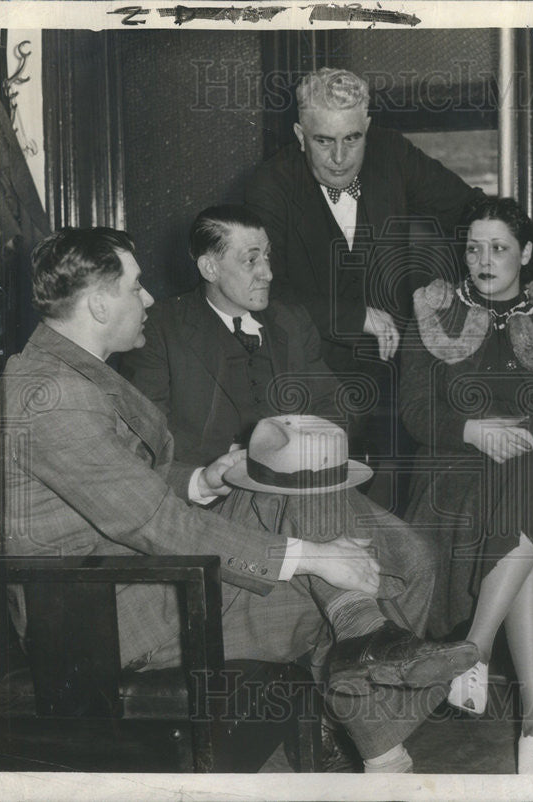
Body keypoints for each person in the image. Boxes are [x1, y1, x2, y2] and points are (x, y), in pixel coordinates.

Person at [0, 227, 478, 774]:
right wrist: (312, 556)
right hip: (98, 618)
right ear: (97, 304)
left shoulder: (69, 371)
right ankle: (374, 685)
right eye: (136, 288)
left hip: (133, 581)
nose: (148, 300)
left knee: (402, 556)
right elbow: (155, 525)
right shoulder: (54, 399)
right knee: (379, 560)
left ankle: (373, 692)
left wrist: (201, 482)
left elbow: (117, 489)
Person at [118, 205, 451, 769]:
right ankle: (371, 686)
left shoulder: (290, 323)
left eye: (268, 256)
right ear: (207, 265)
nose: (267, 271)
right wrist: (224, 468)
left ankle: (338, 717)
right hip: (218, 513)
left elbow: (334, 413)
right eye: (250, 259)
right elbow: (149, 458)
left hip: (307, 502)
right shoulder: (166, 332)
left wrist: (296, 443)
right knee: (311, 515)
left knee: (412, 558)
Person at [400, 197, 533, 774]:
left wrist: (527, 434)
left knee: (529, 481)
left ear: (526, 253)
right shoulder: (436, 312)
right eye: (474, 248)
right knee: (527, 520)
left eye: (499, 248)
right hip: (454, 468)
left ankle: (473, 650)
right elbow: (412, 411)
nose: (484, 260)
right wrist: (471, 430)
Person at [242, 67, 484, 509]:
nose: (339, 158)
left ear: (367, 128)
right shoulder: (270, 187)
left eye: (352, 139)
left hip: (394, 369)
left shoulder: (391, 152)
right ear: (299, 134)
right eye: (322, 141)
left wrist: (527, 251)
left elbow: (469, 208)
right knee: (325, 498)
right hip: (308, 367)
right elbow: (261, 292)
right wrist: (355, 316)